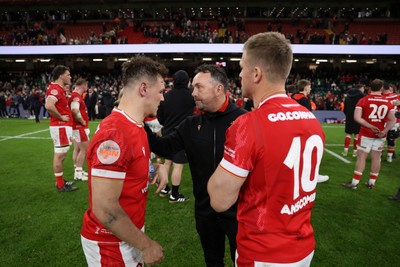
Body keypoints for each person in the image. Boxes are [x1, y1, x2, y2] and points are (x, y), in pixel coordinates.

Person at [207, 31, 326, 267]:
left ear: (256, 73)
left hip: (264, 252)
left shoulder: (249, 124)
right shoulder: (311, 120)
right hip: (302, 247)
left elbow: (219, 200)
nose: (239, 75)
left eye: (242, 68)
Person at [146, 64, 247, 266]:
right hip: (205, 211)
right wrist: (137, 121)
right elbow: (164, 147)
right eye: (193, 87)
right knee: (212, 261)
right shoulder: (191, 124)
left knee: (244, 262)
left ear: (219, 89)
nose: (193, 93)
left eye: (199, 87)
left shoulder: (244, 120)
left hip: (241, 213)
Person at [80, 56, 169, 266]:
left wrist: (156, 167)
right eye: (161, 91)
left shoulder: (134, 126)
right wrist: (146, 245)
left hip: (126, 234)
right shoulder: (115, 134)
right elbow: (105, 208)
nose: (163, 98)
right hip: (110, 242)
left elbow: (127, 168)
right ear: (144, 89)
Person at [342, 79, 396, 190]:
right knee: (377, 158)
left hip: (366, 133)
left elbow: (357, 117)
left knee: (361, 157)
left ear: (369, 88)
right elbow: (392, 120)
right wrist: (384, 131)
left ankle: (355, 183)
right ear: (381, 89)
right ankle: (371, 183)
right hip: (381, 134)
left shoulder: (363, 100)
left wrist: (370, 126)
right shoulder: (387, 102)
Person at [156, 70, 195, 203]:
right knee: (178, 165)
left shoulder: (166, 96)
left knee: (168, 162)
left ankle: (164, 188)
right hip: (182, 134)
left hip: (168, 133)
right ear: (186, 81)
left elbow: (160, 117)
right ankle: (175, 194)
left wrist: (167, 125)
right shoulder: (191, 96)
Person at [45, 65, 77, 192]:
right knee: (60, 156)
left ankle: (60, 181)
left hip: (62, 127)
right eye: (68, 74)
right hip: (60, 127)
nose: (70, 77)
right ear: (60, 76)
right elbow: (48, 105)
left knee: (61, 155)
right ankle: (60, 185)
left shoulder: (60, 89)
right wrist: (61, 117)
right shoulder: (55, 89)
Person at [291, 79, 329, 183]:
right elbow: (306, 117)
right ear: (305, 88)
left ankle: (297, 174)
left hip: (291, 128)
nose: (311, 88)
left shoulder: (293, 97)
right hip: (302, 129)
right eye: (309, 86)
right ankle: (313, 175)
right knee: (312, 151)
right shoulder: (304, 100)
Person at [68, 78, 90, 181]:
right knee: (83, 149)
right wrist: (81, 121)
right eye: (86, 85)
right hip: (79, 127)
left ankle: (78, 171)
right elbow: (74, 110)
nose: (87, 87)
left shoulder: (75, 95)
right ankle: (78, 174)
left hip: (76, 127)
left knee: (77, 149)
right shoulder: (76, 96)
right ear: (83, 85)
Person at [342, 84, 365, 157]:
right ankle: (355, 152)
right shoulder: (362, 97)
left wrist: (348, 115)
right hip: (358, 117)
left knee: (348, 134)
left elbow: (344, 108)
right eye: (363, 88)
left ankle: (345, 151)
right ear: (360, 88)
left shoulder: (348, 96)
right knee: (357, 135)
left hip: (349, 117)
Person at [382, 83, 399, 162]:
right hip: (396, 121)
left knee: (381, 139)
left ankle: (380, 154)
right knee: (392, 139)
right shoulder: (397, 96)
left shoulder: (382, 97)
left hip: (385, 121)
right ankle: (390, 157)